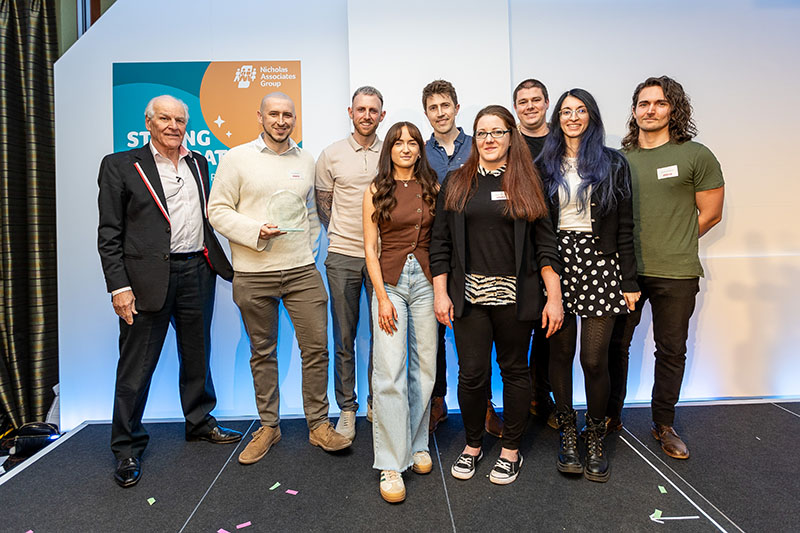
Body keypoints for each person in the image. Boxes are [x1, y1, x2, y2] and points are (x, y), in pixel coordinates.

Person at [97, 95, 242, 488]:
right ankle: (126, 446)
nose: (173, 126)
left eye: (180, 119)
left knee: (197, 354)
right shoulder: (120, 166)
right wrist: (119, 287)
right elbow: (109, 235)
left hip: (198, 270)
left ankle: (198, 422)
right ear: (148, 122)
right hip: (145, 282)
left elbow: (208, 218)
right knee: (136, 366)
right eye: (164, 118)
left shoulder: (198, 162)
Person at [208, 92, 351, 465]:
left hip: (302, 271)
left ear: (294, 119)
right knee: (262, 352)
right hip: (253, 274)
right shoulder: (236, 158)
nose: (281, 120)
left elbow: (310, 213)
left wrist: (307, 252)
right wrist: (256, 231)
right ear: (260, 117)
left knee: (316, 349)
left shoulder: (305, 159)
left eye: (288, 114)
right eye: (274, 114)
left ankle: (319, 424)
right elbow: (217, 210)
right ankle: (269, 426)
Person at [430, 105, 563, 485]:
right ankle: (473, 446)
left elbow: (545, 246)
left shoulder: (527, 181)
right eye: (482, 132)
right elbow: (439, 244)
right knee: (472, 375)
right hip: (468, 298)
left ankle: (510, 451)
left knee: (515, 372)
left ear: (510, 136)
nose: (489, 139)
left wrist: (554, 298)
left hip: (516, 298)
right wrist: (441, 294)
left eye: (497, 132)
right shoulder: (456, 182)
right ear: (475, 138)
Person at [607, 76, 724, 460]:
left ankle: (664, 424)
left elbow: (710, 214)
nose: (650, 110)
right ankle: (610, 416)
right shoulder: (619, 159)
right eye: (643, 104)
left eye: (658, 103)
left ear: (673, 109)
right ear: (635, 110)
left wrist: (676, 240)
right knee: (615, 346)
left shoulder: (695, 155)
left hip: (676, 271)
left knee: (671, 349)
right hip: (626, 271)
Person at [537, 89, 640, 482]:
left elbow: (626, 224)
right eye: (566, 111)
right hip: (558, 262)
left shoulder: (614, 163)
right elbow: (539, 225)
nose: (573, 117)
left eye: (580, 111)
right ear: (557, 118)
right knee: (559, 356)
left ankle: (594, 434)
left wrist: (627, 278)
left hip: (601, 262)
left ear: (592, 117)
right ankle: (567, 432)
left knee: (594, 359)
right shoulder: (543, 164)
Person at [363, 121, 439, 503]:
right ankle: (391, 462)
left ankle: (416, 444)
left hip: (425, 283)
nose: (406, 148)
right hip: (390, 283)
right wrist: (382, 297)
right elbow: (370, 248)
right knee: (389, 372)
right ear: (389, 148)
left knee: (425, 368)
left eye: (412, 142)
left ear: (420, 149)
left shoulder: (432, 187)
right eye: (399, 142)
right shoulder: (376, 190)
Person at [315, 86, 386, 437]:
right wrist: (346, 234)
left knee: (381, 336)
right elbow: (323, 205)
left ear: (381, 115)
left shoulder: (391, 152)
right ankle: (346, 407)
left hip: (383, 257)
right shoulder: (331, 155)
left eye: (373, 110)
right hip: (342, 256)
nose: (367, 115)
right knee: (343, 336)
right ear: (350, 112)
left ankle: (377, 401)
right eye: (361, 109)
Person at [513, 78, 557, 427]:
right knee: (524, 324)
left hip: (561, 242)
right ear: (516, 107)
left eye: (535, 100)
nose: (529, 106)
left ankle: (544, 395)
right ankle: (524, 394)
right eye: (522, 101)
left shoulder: (562, 141)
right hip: (521, 246)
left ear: (546, 103)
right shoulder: (510, 143)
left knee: (552, 329)